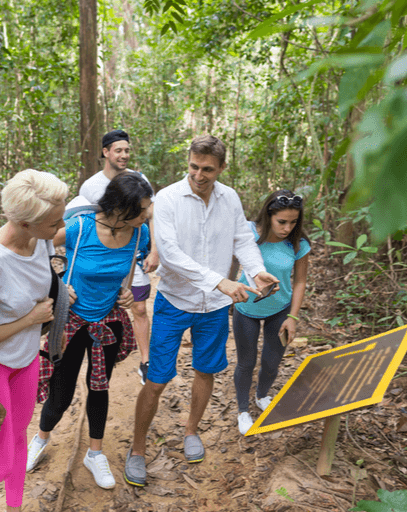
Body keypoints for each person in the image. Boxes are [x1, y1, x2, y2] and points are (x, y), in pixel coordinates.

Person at [124, 135, 279, 487]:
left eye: (208, 169)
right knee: (157, 379)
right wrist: (219, 281)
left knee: (205, 370)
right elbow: (171, 254)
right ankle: (137, 448)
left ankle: (191, 430)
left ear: (222, 168)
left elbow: (242, 238)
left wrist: (256, 270)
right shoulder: (167, 199)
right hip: (175, 302)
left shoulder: (230, 198)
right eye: (194, 166)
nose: (199, 175)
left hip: (214, 308)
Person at [27, 172, 153, 490]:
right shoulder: (80, 228)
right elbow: (33, 245)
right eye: (141, 210)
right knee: (62, 391)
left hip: (107, 323)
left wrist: (125, 295)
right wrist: (56, 285)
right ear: (119, 209)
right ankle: (41, 439)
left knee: (100, 387)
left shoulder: (140, 234)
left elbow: (132, 271)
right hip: (70, 323)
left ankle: (94, 454)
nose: (147, 215)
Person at [0, 170, 71, 511]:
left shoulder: (41, 237)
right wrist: (31, 319)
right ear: (25, 223)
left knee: (17, 442)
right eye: (54, 222)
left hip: (27, 358)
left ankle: (14, 507)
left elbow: (44, 278)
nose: (60, 228)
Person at [79, 130, 158, 385]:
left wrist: (154, 249)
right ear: (105, 152)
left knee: (138, 306)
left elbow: (150, 215)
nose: (124, 155)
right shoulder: (90, 187)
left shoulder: (139, 179)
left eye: (127, 150)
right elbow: (83, 226)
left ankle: (145, 361)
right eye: (118, 150)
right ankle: (103, 350)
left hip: (133, 255)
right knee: (108, 306)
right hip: (104, 263)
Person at [233, 190, 311, 435]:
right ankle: (243, 410)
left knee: (271, 360)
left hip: (281, 309)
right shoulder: (248, 233)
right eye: (282, 222)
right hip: (246, 308)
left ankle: (262, 396)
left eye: (293, 222)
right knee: (246, 362)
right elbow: (233, 261)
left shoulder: (298, 243)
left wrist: (293, 317)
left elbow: (299, 282)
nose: (288, 227)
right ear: (268, 216)